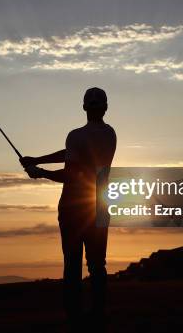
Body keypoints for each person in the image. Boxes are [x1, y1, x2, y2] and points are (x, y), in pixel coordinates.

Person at [20, 87, 117, 327]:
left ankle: (74, 318)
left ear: (84, 107)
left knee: (72, 264)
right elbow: (72, 154)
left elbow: (71, 172)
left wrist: (40, 172)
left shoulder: (75, 135)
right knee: (97, 264)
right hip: (100, 204)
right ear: (105, 107)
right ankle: (98, 315)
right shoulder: (110, 134)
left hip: (74, 207)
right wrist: (38, 160)